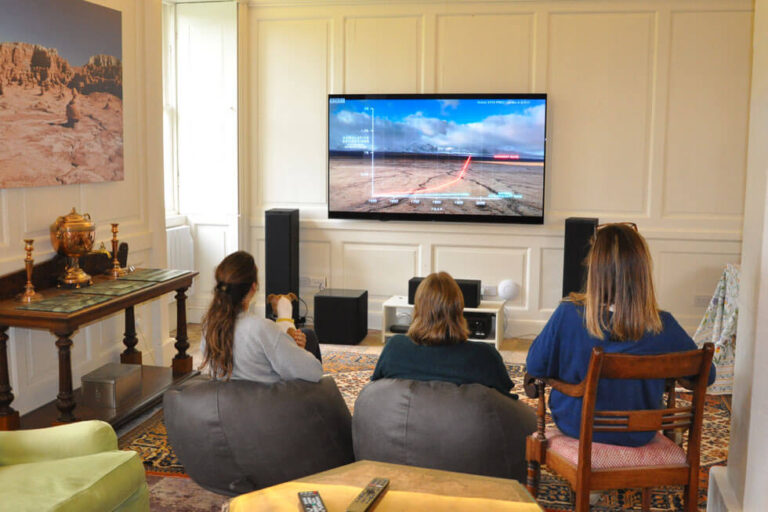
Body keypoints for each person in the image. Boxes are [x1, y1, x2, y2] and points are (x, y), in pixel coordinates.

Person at [526, 223, 716, 447]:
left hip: (576, 425)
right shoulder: (663, 325)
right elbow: (707, 376)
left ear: (594, 270)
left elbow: (536, 367)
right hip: (639, 432)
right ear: (643, 272)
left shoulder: (568, 314)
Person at [371, 271, 515, 396]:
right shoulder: (484, 355)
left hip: (406, 424)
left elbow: (375, 388)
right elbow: (506, 397)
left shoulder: (394, 348)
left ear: (417, 309)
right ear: (458, 309)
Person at [199, 251, 322, 382]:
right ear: (253, 287)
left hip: (226, 400)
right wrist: (300, 351)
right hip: (267, 400)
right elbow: (314, 372)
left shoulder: (209, 326)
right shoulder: (263, 328)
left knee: (307, 334)